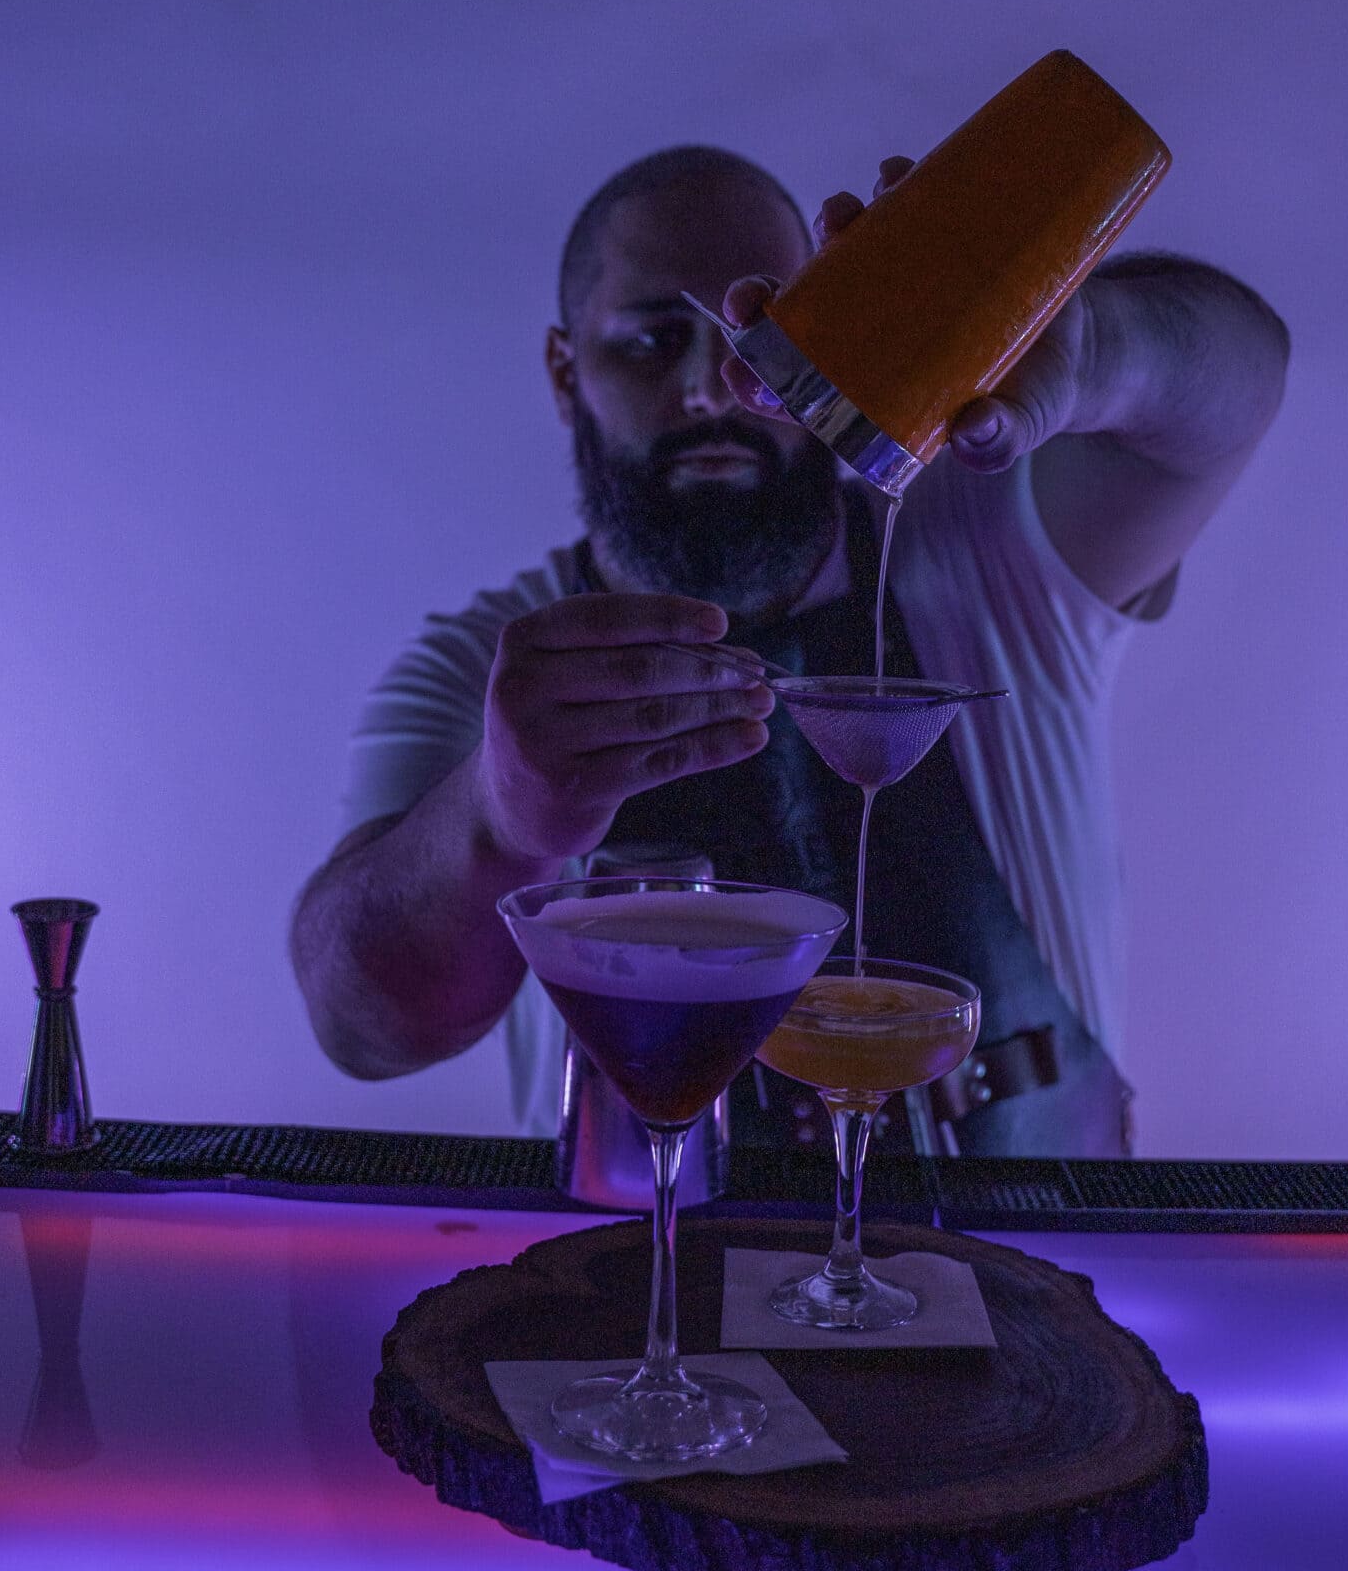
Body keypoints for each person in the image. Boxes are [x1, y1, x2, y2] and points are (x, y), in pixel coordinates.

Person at [291, 141, 1287, 1154]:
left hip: (1036, 1278)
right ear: (563, 371)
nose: (711, 389)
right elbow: (359, 1027)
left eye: (761, 340)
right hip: (643, 1289)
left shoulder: (988, 548)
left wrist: (1088, 345)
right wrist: (493, 819)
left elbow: (1240, 376)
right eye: (649, 341)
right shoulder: (488, 667)